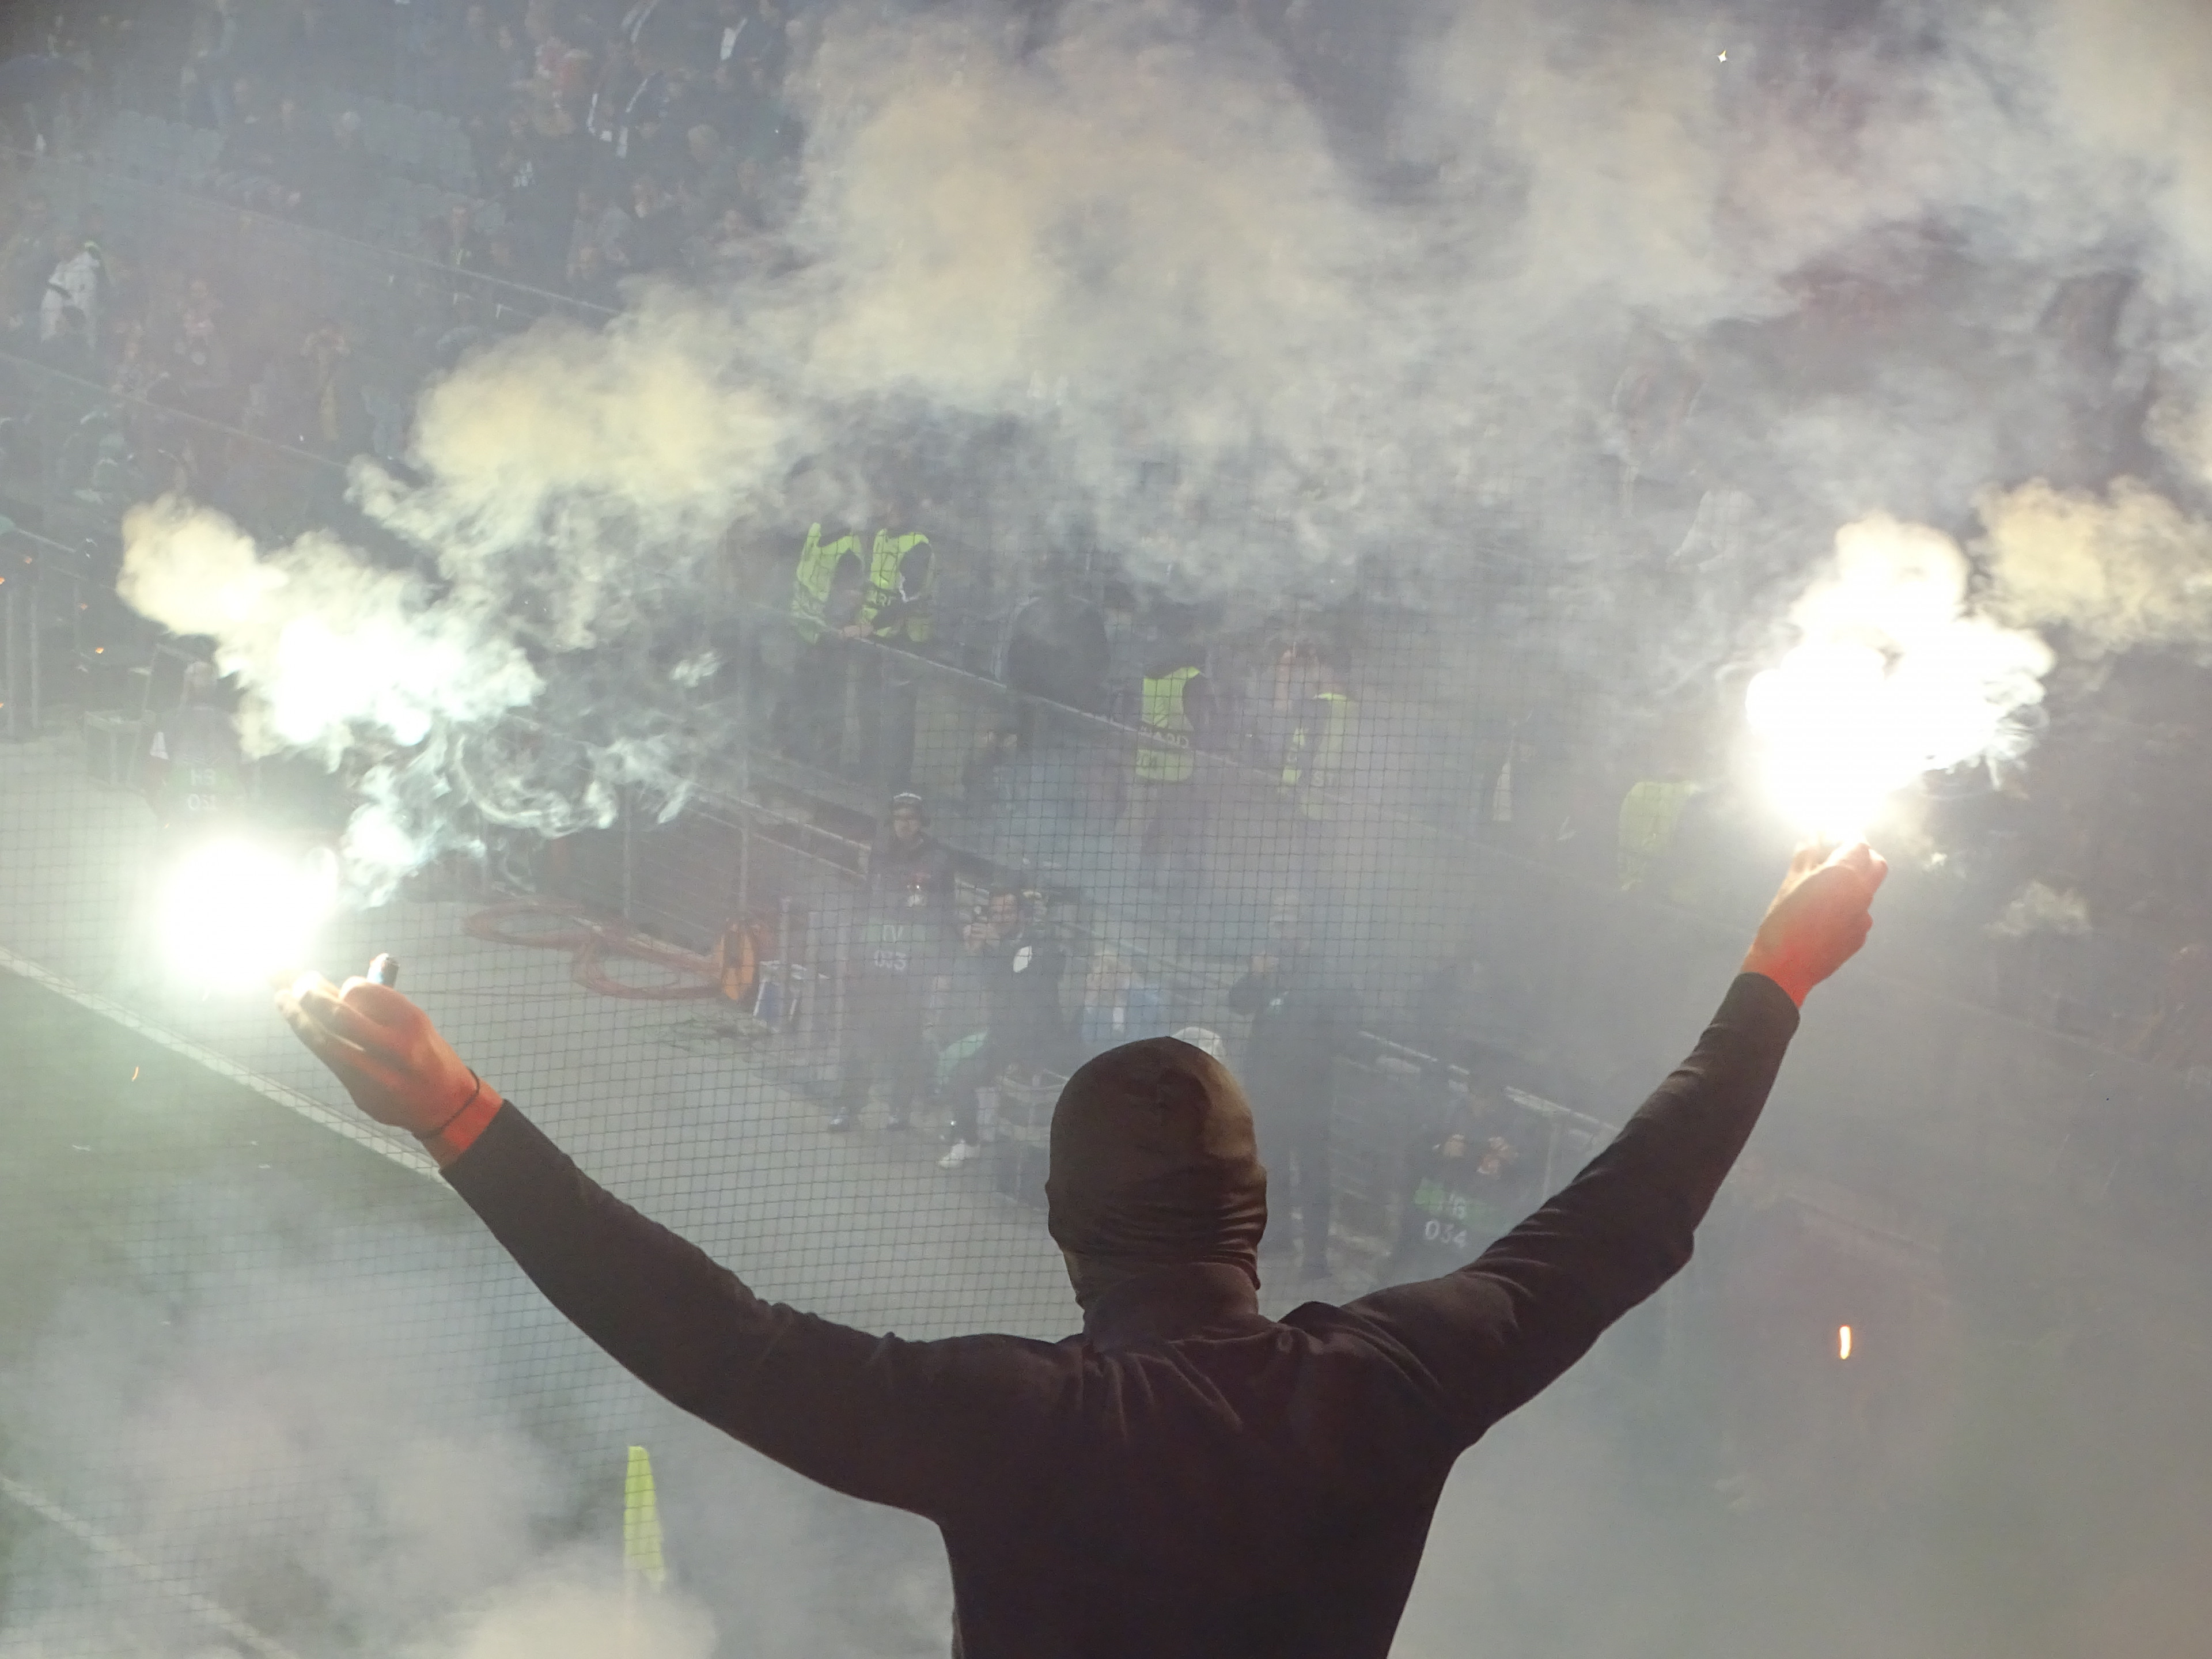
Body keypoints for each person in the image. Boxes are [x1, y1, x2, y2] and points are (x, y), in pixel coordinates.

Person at [278, 843, 1884, 1659]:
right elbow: (1627, 1207)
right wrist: (1776, 977)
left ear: (1061, 1227)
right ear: (1252, 1215)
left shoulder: (1022, 1425)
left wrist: (459, 1111)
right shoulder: (1396, 1380)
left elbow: (716, 1340)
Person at [1226, 904, 1362, 1281]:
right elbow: (1237, 1003)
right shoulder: (1270, 971)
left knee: (1314, 1174)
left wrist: (1309, 1051)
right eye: (1274, 923)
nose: (1277, 931)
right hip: (1268, 1091)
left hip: (1309, 1096)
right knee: (1271, 1166)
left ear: (1303, 930)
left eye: (1285, 924)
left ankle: (1315, 1257)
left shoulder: (1330, 977)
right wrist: (1255, 976)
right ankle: (1277, 1237)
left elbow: (1347, 1034)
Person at [830, 791, 957, 1132]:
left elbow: (946, 915)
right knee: (858, 1040)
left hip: (911, 970)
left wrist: (942, 968)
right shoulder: (879, 853)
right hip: (873, 966)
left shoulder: (939, 860)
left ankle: (899, 1110)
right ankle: (848, 1107)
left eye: (911, 817)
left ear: (921, 821)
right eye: (899, 817)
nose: (905, 823)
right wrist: (854, 955)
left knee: (906, 1042)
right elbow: (865, 903)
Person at [938, 887, 1070, 1168]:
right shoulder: (993, 946)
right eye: (995, 913)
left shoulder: (1040, 941)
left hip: (1039, 1046)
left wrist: (997, 944)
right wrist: (973, 953)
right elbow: (984, 984)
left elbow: (1022, 976)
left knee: (1029, 1103)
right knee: (961, 1074)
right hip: (1002, 1040)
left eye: (1008, 912)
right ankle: (968, 1141)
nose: (1001, 918)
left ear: (1022, 915)